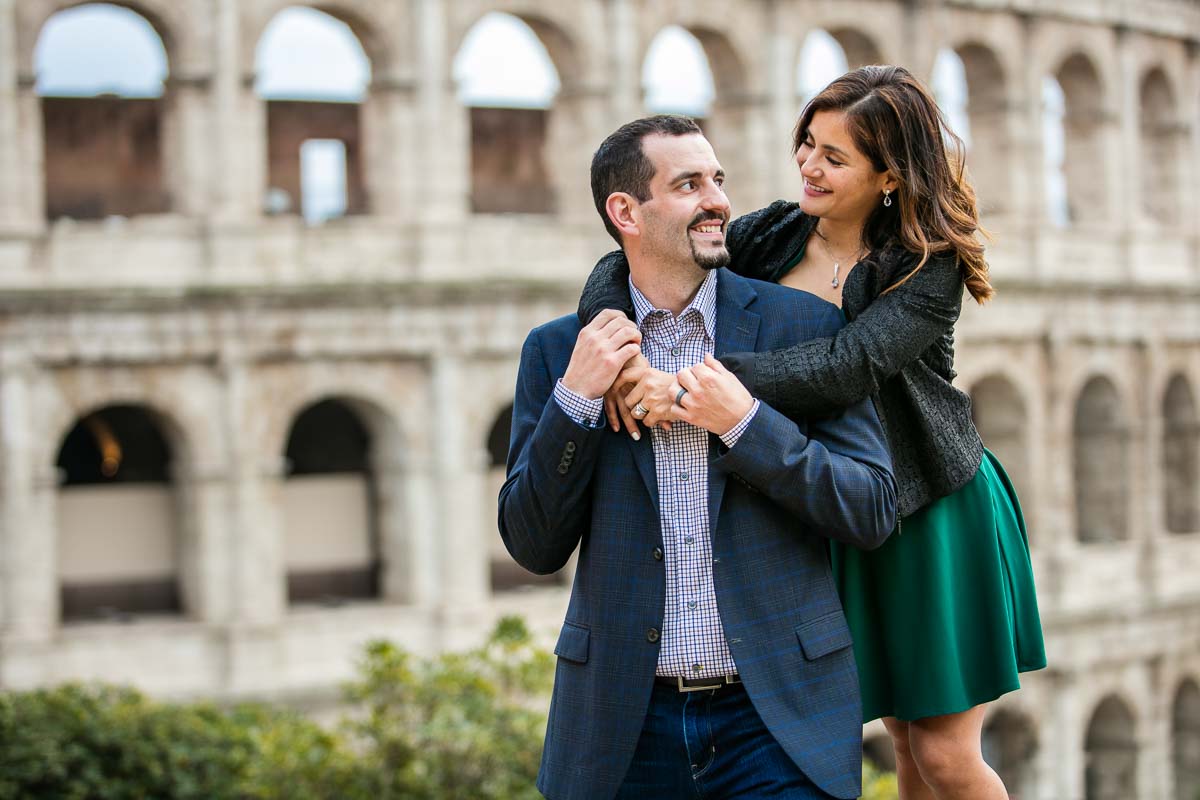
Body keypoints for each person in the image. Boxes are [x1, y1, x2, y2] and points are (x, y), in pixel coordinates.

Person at [579, 66, 1047, 800]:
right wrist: (615, 352)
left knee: (943, 751)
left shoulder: (929, 265)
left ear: (888, 174)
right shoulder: (773, 234)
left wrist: (693, 382)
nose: (807, 165)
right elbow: (625, 260)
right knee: (897, 739)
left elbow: (845, 366)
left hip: (931, 509)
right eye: (806, 143)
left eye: (834, 156)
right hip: (838, 499)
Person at [499, 114, 898, 800]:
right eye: (689, 184)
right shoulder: (557, 352)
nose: (718, 200)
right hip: (621, 725)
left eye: (718, 179)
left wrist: (743, 422)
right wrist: (576, 400)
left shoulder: (803, 328)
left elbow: (870, 508)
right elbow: (534, 545)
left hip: (777, 720)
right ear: (625, 210)